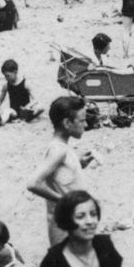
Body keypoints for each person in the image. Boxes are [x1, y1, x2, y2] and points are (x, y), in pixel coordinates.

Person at [26, 95, 93, 246]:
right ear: (67, 123)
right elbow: (32, 183)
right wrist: (63, 201)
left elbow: (61, 177)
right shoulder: (58, 151)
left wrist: (79, 164)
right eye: (82, 120)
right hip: (65, 227)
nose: (86, 124)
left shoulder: (61, 147)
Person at [0, 57, 42, 124]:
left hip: (26, 111)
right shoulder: (6, 86)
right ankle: (1, 121)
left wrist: (28, 107)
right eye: (5, 76)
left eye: (8, 76)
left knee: (40, 107)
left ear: (15, 72)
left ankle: (28, 119)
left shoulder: (26, 83)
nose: (6, 78)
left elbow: (35, 100)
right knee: (7, 111)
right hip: (14, 112)